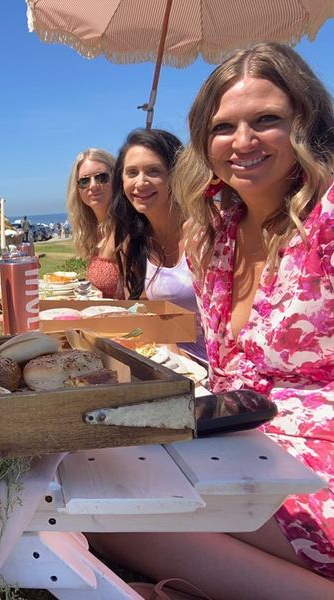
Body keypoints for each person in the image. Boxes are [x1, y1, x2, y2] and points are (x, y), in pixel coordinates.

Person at [90, 43, 334, 599]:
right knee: (85, 467)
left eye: (266, 120)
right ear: (204, 140)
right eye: (224, 127)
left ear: (307, 124)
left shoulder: (327, 221)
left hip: (313, 460)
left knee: (111, 509)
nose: (243, 142)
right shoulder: (211, 232)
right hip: (239, 441)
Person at [109, 129, 207, 359]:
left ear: (175, 175)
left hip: (221, 368)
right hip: (174, 362)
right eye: (132, 172)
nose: (140, 182)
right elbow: (143, 308)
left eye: (153, 171)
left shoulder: (203, 231)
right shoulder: (134, 241)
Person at [66, 148, 120, 298]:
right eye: (84, 181)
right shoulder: (93, 229)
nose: (93, 185)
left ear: (116, 178)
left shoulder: (126, 227)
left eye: (102, 177)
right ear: (77, 189)